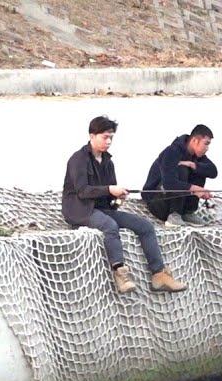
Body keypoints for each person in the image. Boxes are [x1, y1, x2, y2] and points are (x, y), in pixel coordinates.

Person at [62, 115, 186, 295]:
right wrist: (110, 189)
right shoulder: (78, 159)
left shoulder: (108, 162)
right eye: (105, 137)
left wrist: (118, 198)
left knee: (145, 226)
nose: (109, 141)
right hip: (79, 209)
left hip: (102, 209)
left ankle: (159, 275)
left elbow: (109, 197)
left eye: (111, 137)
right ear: (91, 135)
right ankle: (120, 274)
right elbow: (82, 191)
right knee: (110, 226)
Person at [142, 124, 217, 227]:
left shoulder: (197, 156)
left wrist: (193, 165)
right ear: (195, 141)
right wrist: (194, 189)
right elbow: (169, 184)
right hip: (157, 201)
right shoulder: (171, 151)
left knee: (199, 169)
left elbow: (213, 172)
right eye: (206, 144)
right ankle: (174, 215)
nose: (207, 148)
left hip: (177, 203)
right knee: (182, 169)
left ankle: (187, 212)